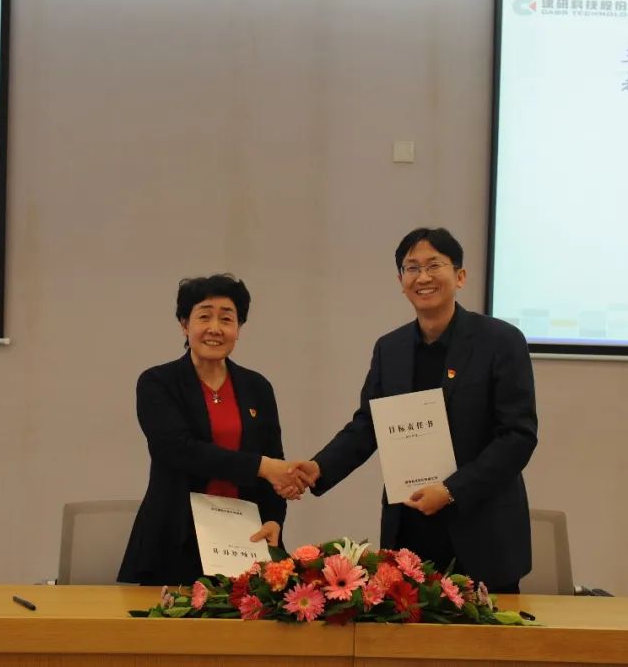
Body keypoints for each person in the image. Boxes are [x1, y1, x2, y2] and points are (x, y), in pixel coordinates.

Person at [289, 228, 538, 593]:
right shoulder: (390, 348)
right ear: (401, 281)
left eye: (434, 265)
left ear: (460, 276)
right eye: (412, 268)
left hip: (482, 531)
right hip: (410, 530)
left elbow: (517, 437)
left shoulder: (501, 341)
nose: (423, 277)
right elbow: (368, 424)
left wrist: (451, 490)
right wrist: (319, 468)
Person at [118, 274, 306, 586]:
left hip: (244, 538)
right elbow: (177, 449)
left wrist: (274, 518)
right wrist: (262, 467)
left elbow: (274, 458)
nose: (215, 328)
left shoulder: (257, 387)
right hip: (176, 538)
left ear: (239, 328)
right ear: (184, 325)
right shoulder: (157, 382)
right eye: (204, 317)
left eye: (227, 319)